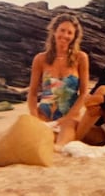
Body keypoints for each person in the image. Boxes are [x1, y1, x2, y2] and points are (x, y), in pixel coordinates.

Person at [27, 13, 89, 151]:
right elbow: (32, 94)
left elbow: (84, 93)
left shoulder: (81, 58)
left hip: (69, 117)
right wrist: (34, 117)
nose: (65, 35)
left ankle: (58, 146)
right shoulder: (40, 59)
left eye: (70, 33)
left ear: (74, 37)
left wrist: (68, 117)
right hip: (43, 115)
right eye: (62, 30)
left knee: (62, 138)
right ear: (54, 31)